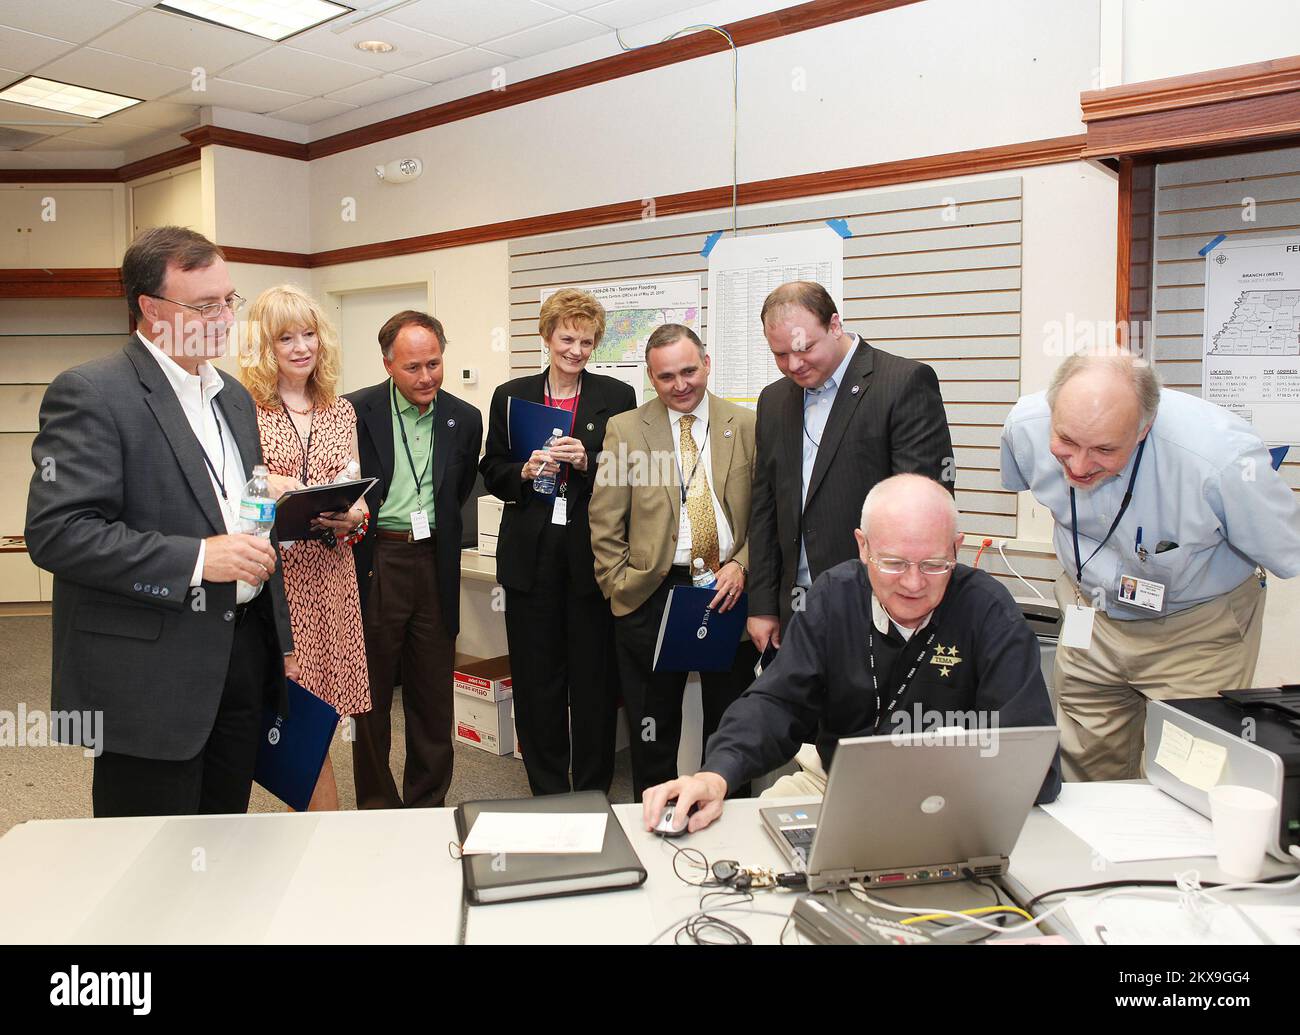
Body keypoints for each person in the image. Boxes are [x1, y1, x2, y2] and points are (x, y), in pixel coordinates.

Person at [25, 225, 295, 817]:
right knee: (148, 860)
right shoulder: (93, 392)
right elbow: (58, 532)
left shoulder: (232, 398)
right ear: (150, 309)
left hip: (242, 652)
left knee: (225, 836)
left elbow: (234, 509)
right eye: (204, 306)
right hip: (151, 672)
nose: (226, 318)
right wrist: (199, 558)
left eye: (229, 300)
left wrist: (279, 637)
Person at [642, 474, 1061, 834]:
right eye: (894, 563)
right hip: (831, 783)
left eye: (934, 564)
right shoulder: (831, 596)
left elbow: (1030, 762)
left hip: (953, 796)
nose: (913, 583)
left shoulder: (990, 611)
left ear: (957, 548)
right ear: (863, 547)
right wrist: (716, 775)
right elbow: (777, 703)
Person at [1001, 350, 1300, 781]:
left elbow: (1284, 548)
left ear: (1144, 429)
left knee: (1182, 779)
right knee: (1083, 765)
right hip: (1091, 616)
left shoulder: (1222, 461)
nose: (1080, 467)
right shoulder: (1024, 427)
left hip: (1195, 632)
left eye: (1104, 449)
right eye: (1066, 443)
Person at [590, 324, 757, 799]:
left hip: (728, 588)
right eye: (666, 377)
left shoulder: (744, 425)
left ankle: (727, 822)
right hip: (652, 594)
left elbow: (767, 514)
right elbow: (604, 518)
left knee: (731, 724)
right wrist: (619, 587)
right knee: (653, 726)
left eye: (689, 370)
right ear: (650, 377)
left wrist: (742, 564)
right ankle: (657, 819)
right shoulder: (626, 428)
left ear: (707, 363)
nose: (680, 385)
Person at [479, 289, 636, 796]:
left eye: (587, 341)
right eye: (567, 338)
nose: (576, 350)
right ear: (546, 337)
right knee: (535, 681)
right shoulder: (510, 394)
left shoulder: (616, 396)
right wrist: (522, 471)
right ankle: (546, 789)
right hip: (531, 558)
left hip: (592, 556)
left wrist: (587, 459)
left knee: (593, 683)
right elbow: (491, 469)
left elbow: (629, 471)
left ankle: (591, 789)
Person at [747, 281, 954, 655]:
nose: (793, 365)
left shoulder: (902, 383)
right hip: (795, 612)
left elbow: (923, 512)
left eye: (804, 349)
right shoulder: (774, 400)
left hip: (875, 607)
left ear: (835, 326)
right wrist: (762, 604)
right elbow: (764, 507)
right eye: (779, 355)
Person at [242, 284, 371, 811]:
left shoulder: (341, 410)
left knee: (324, 714)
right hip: (278, 581)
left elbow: (358, 492)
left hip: (333, 578)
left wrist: (355, 514)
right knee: (290, 709)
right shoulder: (245, 410)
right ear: (262, 347)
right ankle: (320, 827)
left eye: (309, 334)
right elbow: (236, 494)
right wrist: (266, 484)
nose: (301, 347)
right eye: (285, 338)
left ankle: (317, 832)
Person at [348, 311, 482, 809]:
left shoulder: (464, 419)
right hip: (376, 558)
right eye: (412, 368)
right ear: (387, 364)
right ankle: (378, 806)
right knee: (373, 695)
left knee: (431, 694)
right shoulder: (354, 412)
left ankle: (426, 803)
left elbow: (459, 489)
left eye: (434, 363)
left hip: (436, 562)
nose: (426, 377)